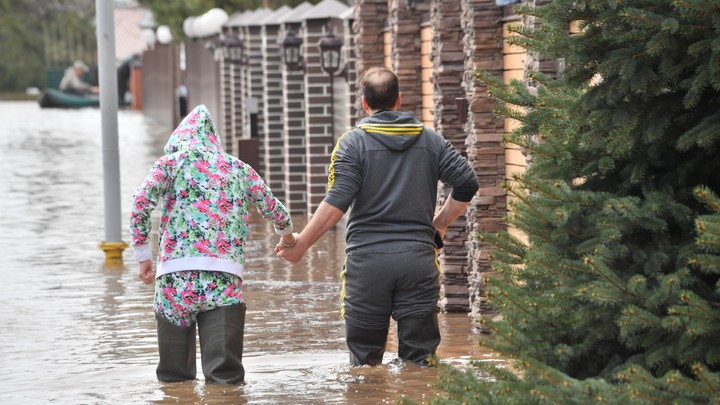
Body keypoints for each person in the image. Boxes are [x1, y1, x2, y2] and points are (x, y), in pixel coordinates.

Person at [276, 67, 479, 367]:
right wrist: (439, 224)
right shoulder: (431, 141)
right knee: (421, 365)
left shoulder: (352, 144)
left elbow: (338, 201)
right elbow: (467, 183)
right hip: (418, 262)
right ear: (399, 100)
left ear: (363, 103)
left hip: (367, 266)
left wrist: (302, 243)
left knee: (363, 368)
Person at [130, 104, 296, 384]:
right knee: (226, 378)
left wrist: (143, 256)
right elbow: (275, 209)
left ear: (180, 138)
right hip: (224, 281)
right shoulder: (238, 168)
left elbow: (140, 203)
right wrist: (288, 236)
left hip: (174, 282)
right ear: (213, 138)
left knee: (174, 379)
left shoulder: (170, 164)